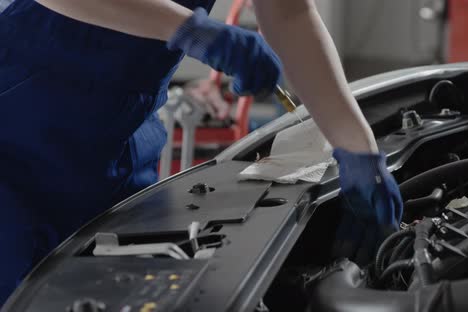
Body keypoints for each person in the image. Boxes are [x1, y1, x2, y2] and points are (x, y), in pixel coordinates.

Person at [0, 0, 403, 303]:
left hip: (120, 139)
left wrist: (358, 150)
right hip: (15, 125)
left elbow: (290, 14)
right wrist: (191, 30)